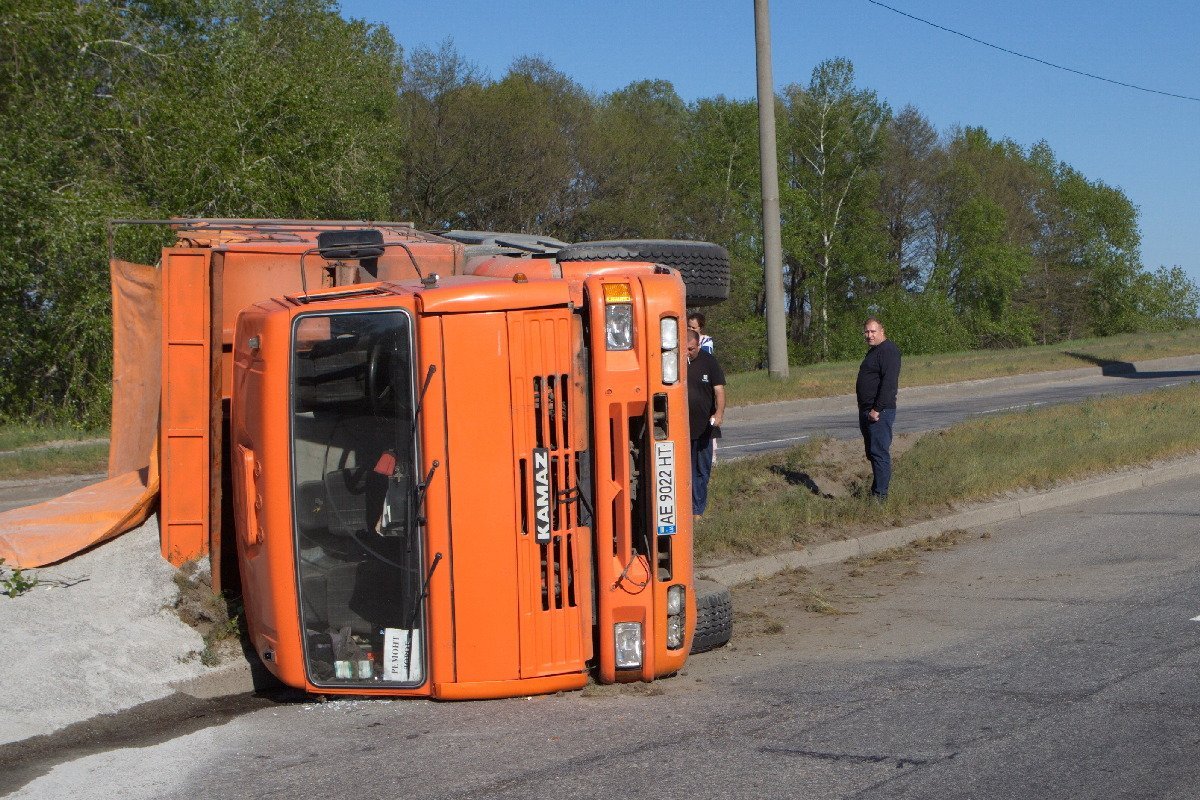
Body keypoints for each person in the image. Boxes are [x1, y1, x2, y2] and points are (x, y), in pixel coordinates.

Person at [856, 317, 901, 500]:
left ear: (882, 331)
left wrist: (877, 409)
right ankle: (876, 491)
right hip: (867, 411)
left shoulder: (888, 351)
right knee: (873, 453)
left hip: (879, 412)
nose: (869, 335)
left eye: (873, 331)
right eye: (866, 331)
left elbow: (889, 384)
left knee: (879, 452)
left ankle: (881, 496)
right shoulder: (874, 352)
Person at [686, 329, 725, 518]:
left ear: (698, 346)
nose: (688, 353)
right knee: (688, 470)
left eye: (691, 349)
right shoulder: (674, 362)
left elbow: (719, 391)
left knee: (703, 470)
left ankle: (698, 509)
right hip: (683, 428)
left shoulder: (709, 362)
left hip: (705, 427)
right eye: (684, 349)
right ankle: (692, 509)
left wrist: (719, 413)